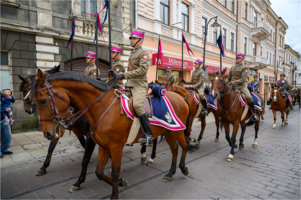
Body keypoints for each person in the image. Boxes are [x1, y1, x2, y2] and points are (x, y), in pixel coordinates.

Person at [112, 29, 153, 146]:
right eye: (131, 38)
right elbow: (130, 70)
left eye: (134, 39)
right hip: (129, 84)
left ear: (140, 41)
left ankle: (149, 135)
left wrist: (124, 75)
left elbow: (142, 70)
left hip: (139, 84)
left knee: (137, 105)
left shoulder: (144, 53)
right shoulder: (132, 53)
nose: (132, 40)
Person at [226, 54, 259, 121]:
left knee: (249, 97)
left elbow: (243, 79)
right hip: (232, 86)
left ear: (242, 60)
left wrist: (232, 83)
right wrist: (225, 83)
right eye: (237, 58)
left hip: (241, 86)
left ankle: (253, 114)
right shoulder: (232, 67)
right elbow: (228, 78)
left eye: (239, 58)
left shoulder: (245, 68)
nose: (238, 59)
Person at [1, 92, 13, 157]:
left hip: (4, 120)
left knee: (8, 136)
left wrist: (9, 109)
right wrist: (6, 109)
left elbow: (10, 105)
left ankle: (4, 149)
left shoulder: (3, 96)